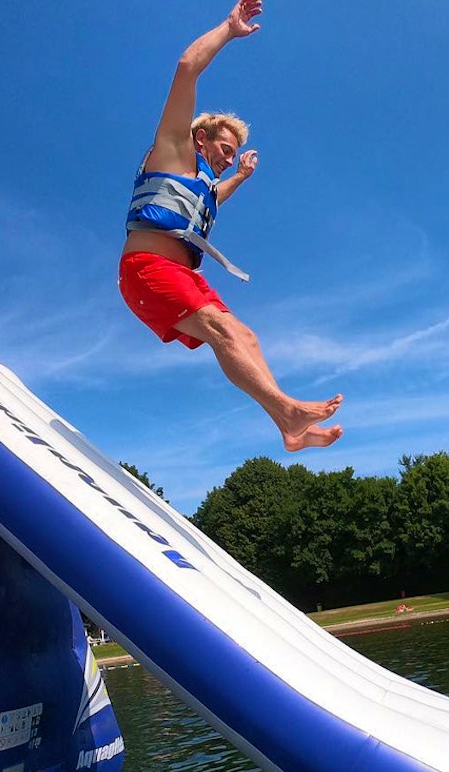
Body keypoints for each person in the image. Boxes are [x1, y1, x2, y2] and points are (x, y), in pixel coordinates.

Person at [119, 0, 343, 452]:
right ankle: (289, 411)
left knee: (245, 336)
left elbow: (212, 197)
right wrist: (228, 28)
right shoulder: (171, 151)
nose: (226, 156)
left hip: (183, 273)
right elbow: (186, 68)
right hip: (147, 268)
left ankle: (288, 432)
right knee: (221, 332)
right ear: (200, 138)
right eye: (223, 147)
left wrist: (239, 175)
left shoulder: (203, 184)